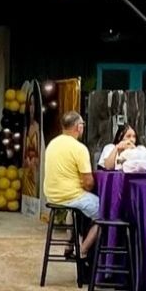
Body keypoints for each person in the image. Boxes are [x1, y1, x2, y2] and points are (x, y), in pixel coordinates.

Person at [43, 111, 102, 264]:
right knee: (106, 212)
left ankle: (70, 245)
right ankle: (83, 250)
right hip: (71, 196)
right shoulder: (79, 148)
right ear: (78, 127)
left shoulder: (52, 144)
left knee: (78, 210)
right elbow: (88, 183)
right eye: (82, 124)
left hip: (53, 196)